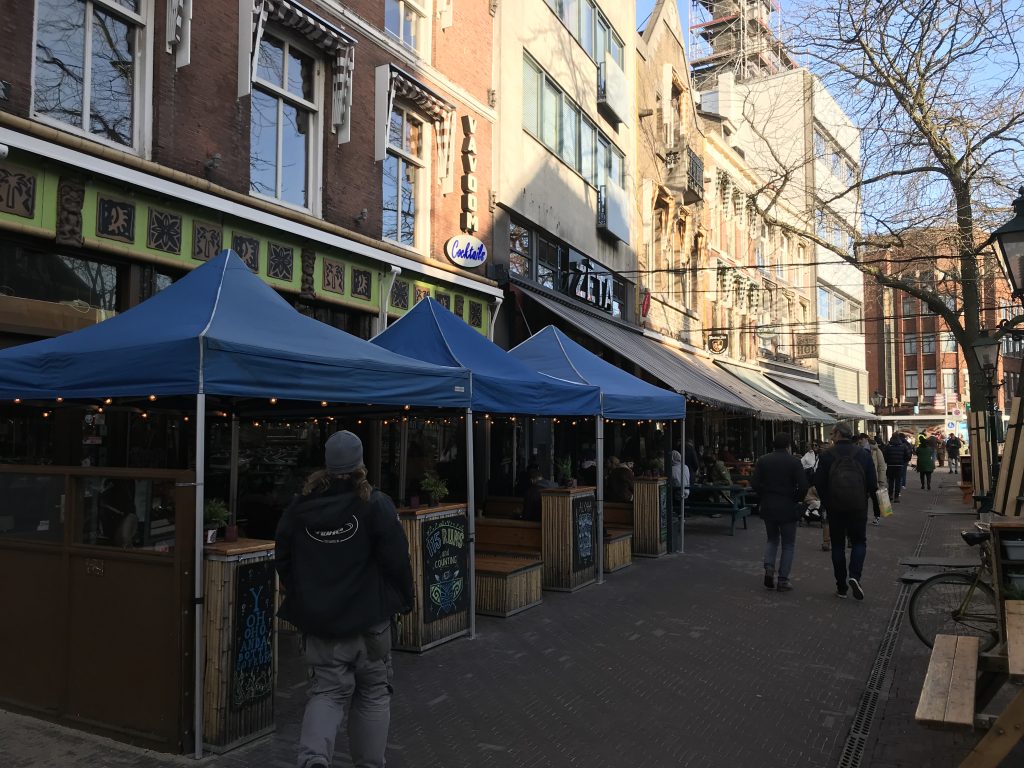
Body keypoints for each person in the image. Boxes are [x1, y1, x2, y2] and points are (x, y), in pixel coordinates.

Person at [276, 431, 414, 768]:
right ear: (360, 464)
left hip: (322, 626)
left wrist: (303, 598)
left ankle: (313, 761)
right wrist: (403, 600)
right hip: (370, 625)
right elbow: (397, 559)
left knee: (326, 692)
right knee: (373, 692)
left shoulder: (299, 508)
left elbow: (284, 559)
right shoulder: (376, 504)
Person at [814, 421, 877, 600]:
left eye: (833, 434)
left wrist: (827, 501)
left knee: (838, 545)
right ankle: (854, 576)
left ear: (839, 434)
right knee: (859, 542)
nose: (831, 437)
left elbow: (818, 482)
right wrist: (877, 506)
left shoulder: (827, 455)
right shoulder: (863, 454)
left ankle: (841, 587)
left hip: (835, 507)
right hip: (858, 506)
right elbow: (873, 483)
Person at [751, 433, 809, 592]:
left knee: (772, 539)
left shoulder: (763, 460)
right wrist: (795, 498)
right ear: (788, 446)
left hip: (769, 505)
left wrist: (764, 495)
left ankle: (769, 568)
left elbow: (754, 483)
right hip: (788, 507)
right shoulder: (794, 462)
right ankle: (783, 579)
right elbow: (804, 486)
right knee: (788, 544)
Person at [859, 434, 887, 525]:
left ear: (866, 439)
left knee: (876, 499)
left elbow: (881, 467)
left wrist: (881, 481)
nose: (860, 441)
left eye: (861, 439)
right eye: (859, 440)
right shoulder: (858, 450)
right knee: (862, 499)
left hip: (874, 479)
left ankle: (877, 516)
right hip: (862, 480)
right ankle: (863, 517)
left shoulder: (876, 450)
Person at [883, 433, 912, 504]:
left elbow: (884, 456)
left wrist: (888, 461)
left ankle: (890, 495)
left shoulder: (888, 446)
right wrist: (903, 461)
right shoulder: (903, 446)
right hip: (899, 466)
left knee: (891, 481)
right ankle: (896, 497)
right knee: (898, 481)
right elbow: (908, 456)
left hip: (890, 466)